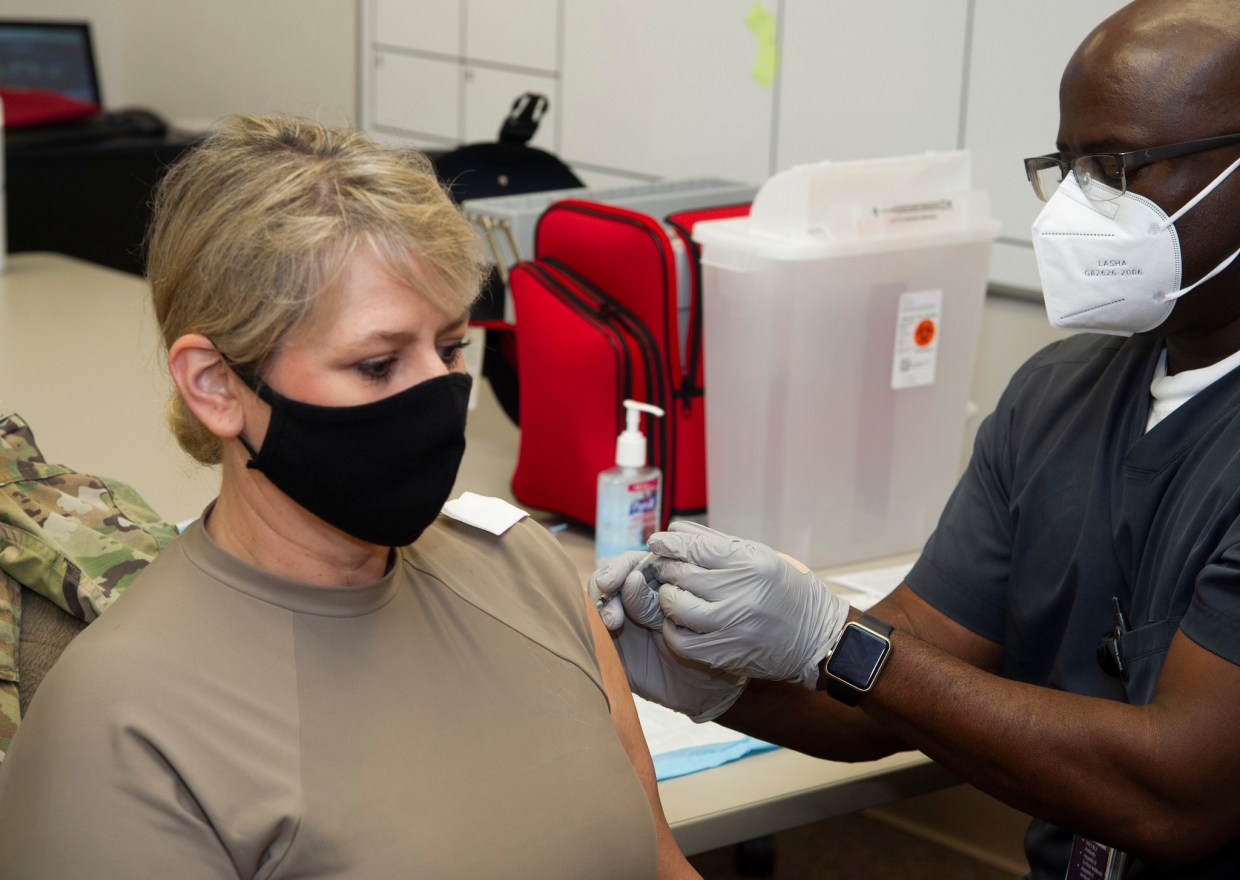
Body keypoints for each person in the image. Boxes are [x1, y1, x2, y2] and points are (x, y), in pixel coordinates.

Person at [593, 1, 1240, 877]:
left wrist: (836, 641)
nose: (1078, 208)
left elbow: (1181, 793)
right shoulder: (1058, 396)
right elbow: (890, 690)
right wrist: (714, 674)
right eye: (1069, 167)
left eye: (1118, 166)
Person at [0, 114, 699, 879]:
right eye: (377, 364)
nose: (441, 394)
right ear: (215, 384)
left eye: (452, 346)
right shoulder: (119, 724)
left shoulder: (521, 570)